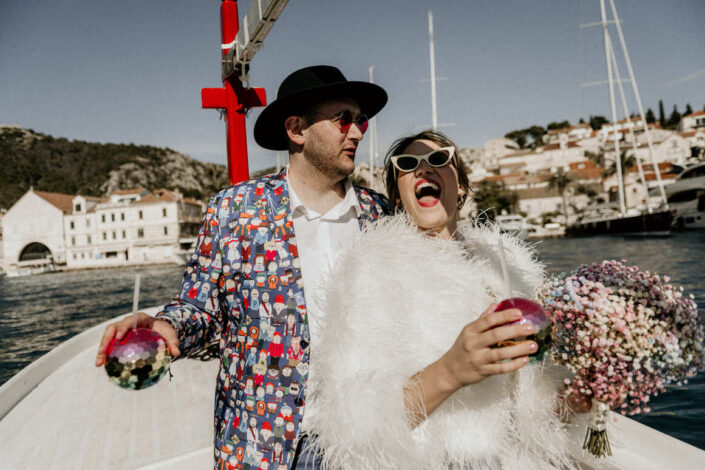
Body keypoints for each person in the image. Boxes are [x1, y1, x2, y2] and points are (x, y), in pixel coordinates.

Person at [95, 65, 391, 470]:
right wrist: (166, 328)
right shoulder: (234, 210)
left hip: (364, 440)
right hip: (263, 443)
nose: (356, 132)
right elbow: (200, 308)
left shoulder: (381, 214)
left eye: (361, 120)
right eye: (343, 119)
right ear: (296, 129)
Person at [308, 130, 585, 470]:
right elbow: (353, 425)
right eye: (408, 165)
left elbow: (531, 406)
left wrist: (575, 398)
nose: (423, 170)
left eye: (439, 160)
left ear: (463, 187)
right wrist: (450, 371)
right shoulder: (371, 272)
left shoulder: (510, 266)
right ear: (398, 198)